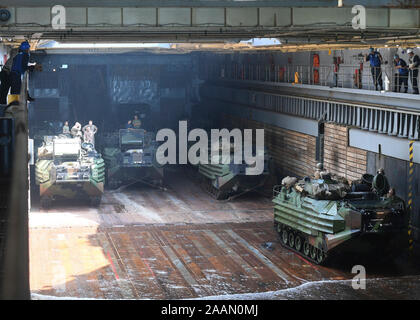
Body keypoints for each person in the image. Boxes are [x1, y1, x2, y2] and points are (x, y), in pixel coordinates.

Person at [0, 41, 39, 106]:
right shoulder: (23, 55)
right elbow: (22, 66)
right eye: (28, 49)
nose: (28, 50)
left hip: (7, 73)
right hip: (8, 73)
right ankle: (6, 107)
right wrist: (33, 67)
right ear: (26, 49)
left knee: (7, 91)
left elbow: (20, 64)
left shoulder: (18, 52)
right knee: (10, 91)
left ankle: (5, 107)